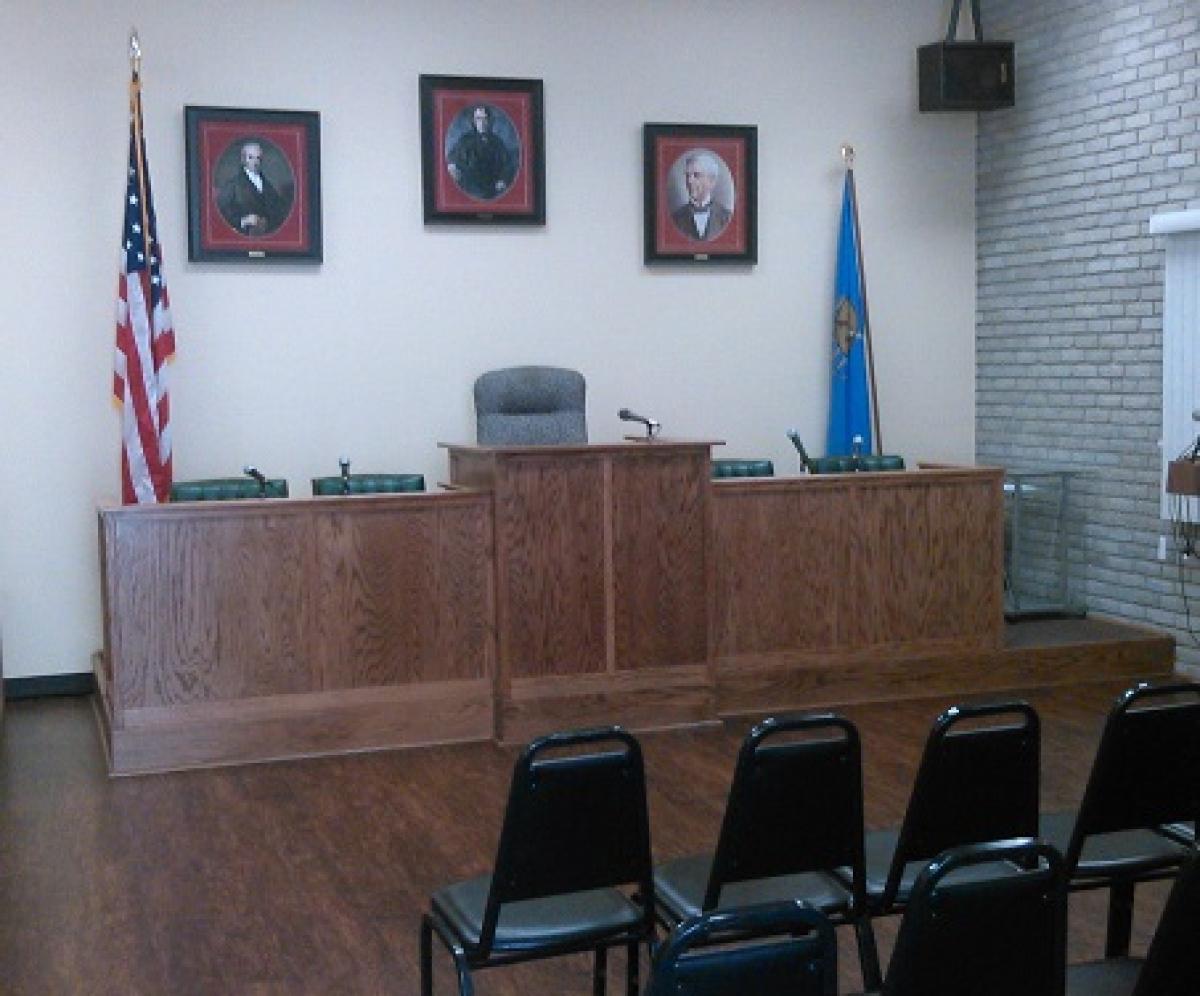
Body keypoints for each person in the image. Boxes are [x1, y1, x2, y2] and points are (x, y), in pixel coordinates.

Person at [217, 141, 289, 237]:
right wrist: (244, 220)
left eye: (258, 158)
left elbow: (278, 210)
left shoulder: (268, 185)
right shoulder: (233, 184)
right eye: (251, 157)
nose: (255, 162)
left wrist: (267, 221)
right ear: (243, 159)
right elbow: (223, 213)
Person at [446, 105, 517, 201]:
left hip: (493, 189)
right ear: (474, 121)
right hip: (472, 189)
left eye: (485, 119)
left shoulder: (497, 141)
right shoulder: (465, 140)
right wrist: (453, 168)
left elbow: (507, 164)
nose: (482, 123)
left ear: (490, 121)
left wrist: (503, 179)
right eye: (478, 119)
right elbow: (451, 159)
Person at [670, 151, 733, 241]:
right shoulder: (676, 219)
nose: (689, 181)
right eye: (688, 176)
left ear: (711, 181)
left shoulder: (726, 218)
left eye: (696, 175)